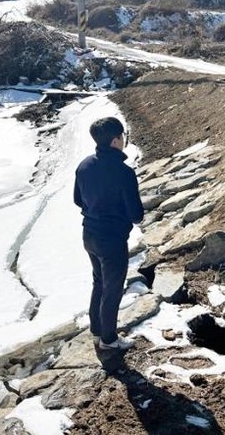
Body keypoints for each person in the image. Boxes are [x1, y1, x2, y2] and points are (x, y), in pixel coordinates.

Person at [74, 117, 144, 351]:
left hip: (89, 235)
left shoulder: (84, 165)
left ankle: (97, 332)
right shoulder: (124, 172)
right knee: (112, 290)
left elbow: (77, 199)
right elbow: (136, 215)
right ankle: (109, 340)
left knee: (99, 283)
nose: (123, 140)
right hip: (112, 240)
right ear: (115, 140)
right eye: (122, 136)